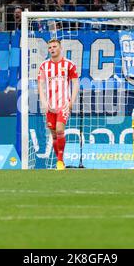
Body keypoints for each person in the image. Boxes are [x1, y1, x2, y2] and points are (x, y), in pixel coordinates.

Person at [37, 39, 79, 170]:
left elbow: (76, 83)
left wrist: (71, 101)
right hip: (50, 105)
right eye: (50, 47)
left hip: (63, 104)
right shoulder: (44, 66)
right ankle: (59, 160)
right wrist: (43, 101)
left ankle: (60, 161)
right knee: (54, 134)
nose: (52, 49)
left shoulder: (69, 64)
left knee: (60, 129)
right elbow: (40, 84)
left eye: (54, 47)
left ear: (60, 48)